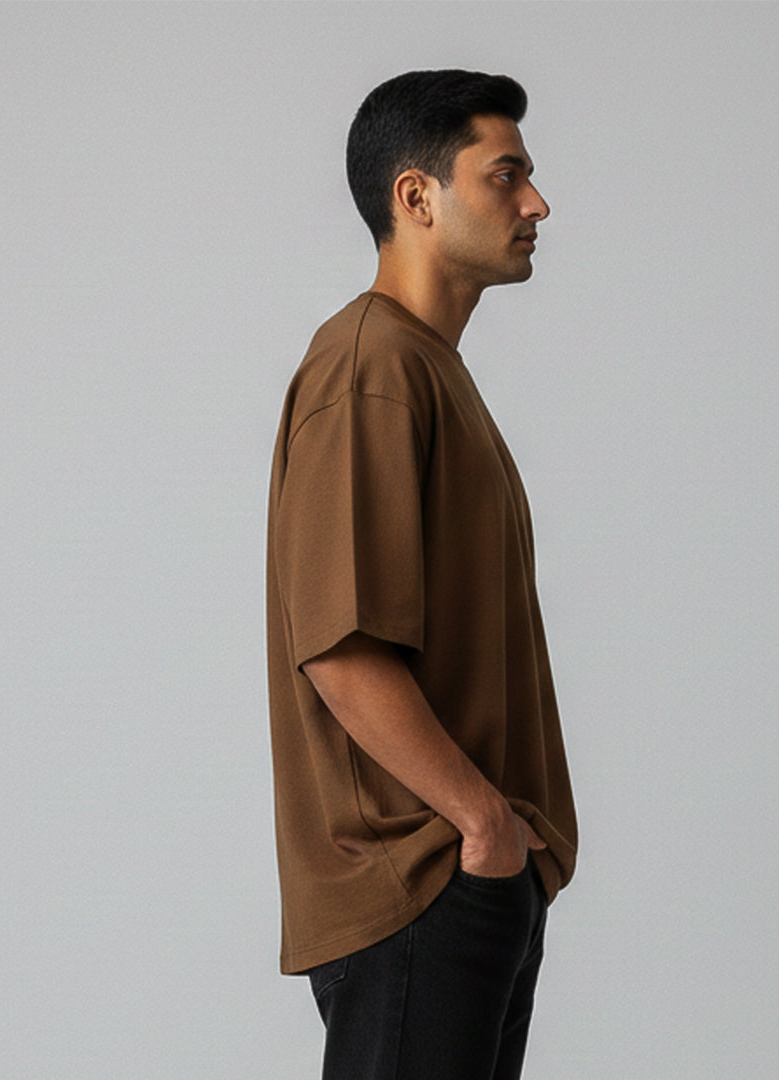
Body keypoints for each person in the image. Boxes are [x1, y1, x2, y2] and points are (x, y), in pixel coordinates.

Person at [266, 69, 578, 1080]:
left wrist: (504, 847)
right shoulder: (371, 366)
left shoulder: (426, 368)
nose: (537, 203)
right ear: (417, 196)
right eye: (506, 175)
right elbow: (341, 650)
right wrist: (482, 824)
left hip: (465, 876)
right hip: (420, 879)